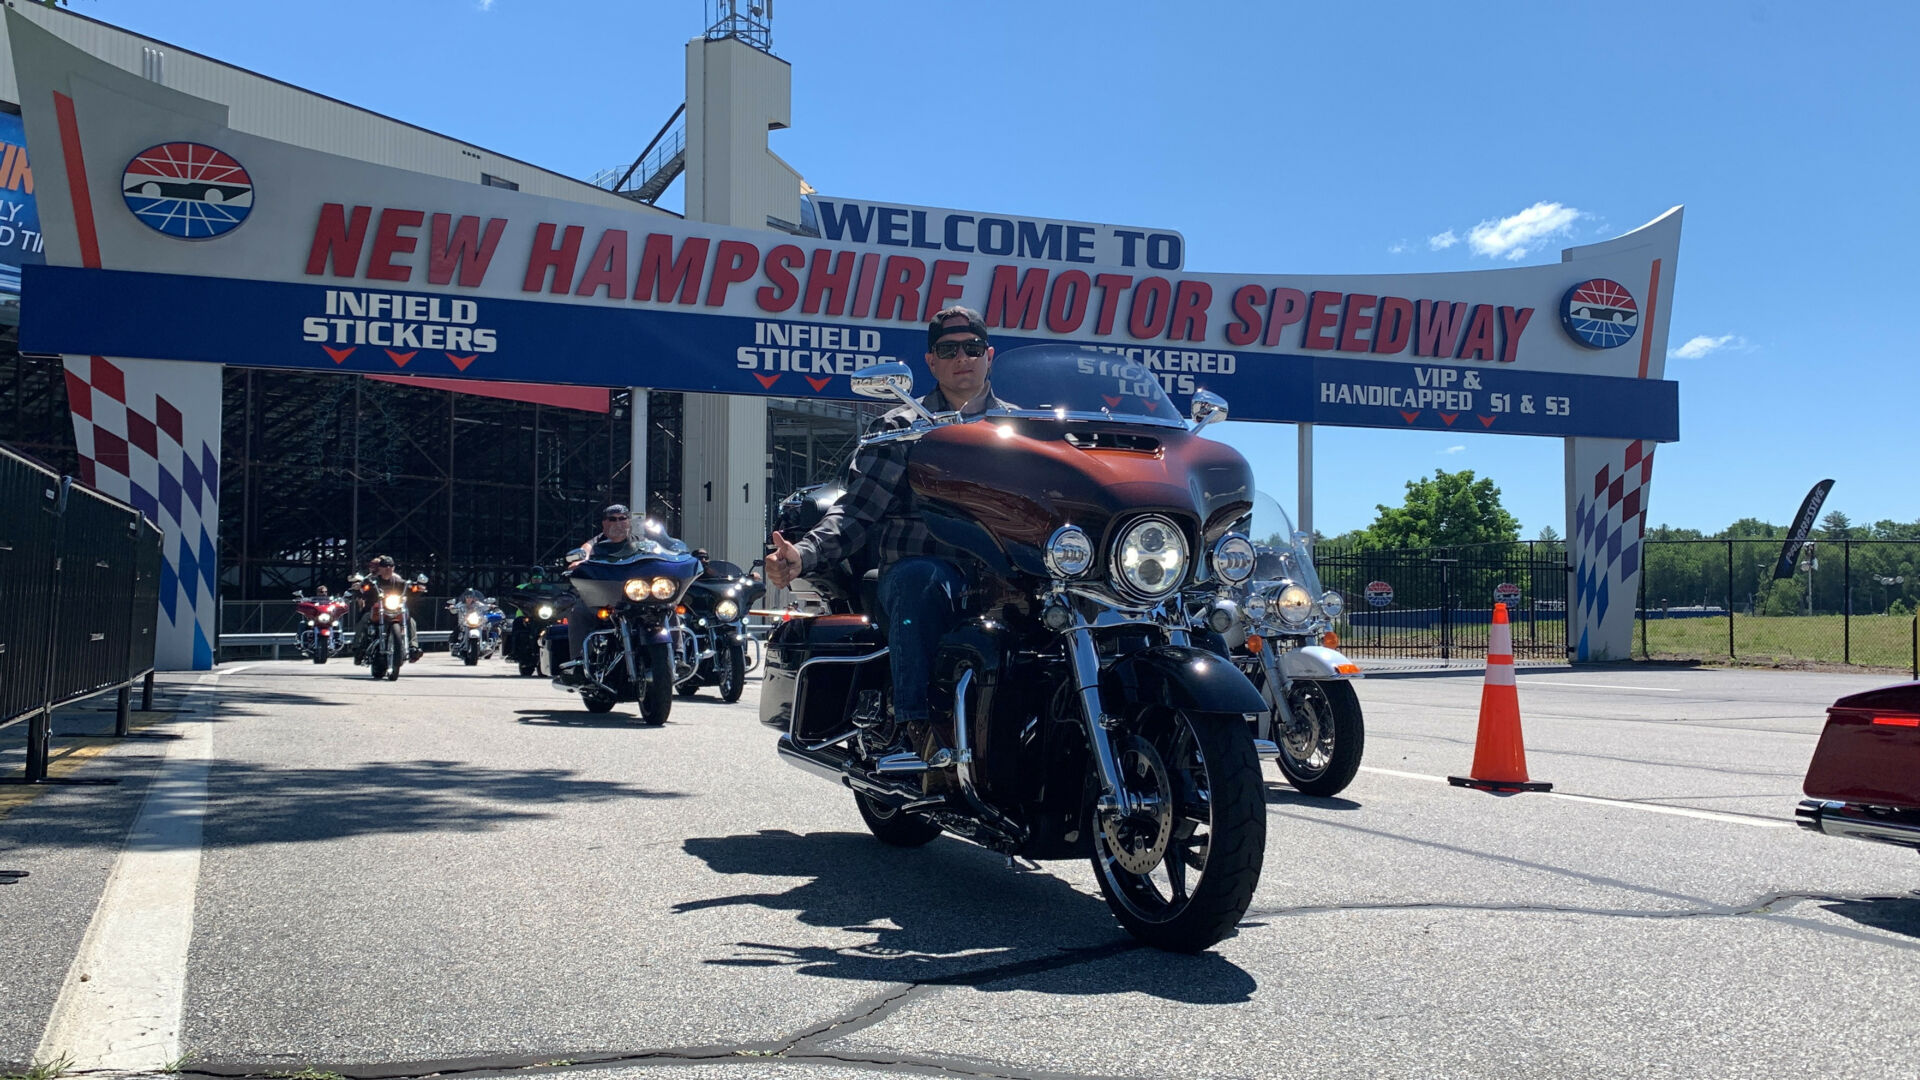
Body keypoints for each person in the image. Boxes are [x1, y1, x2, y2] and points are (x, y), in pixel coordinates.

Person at [764, 305, 1008, 754]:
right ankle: (921, 733)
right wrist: (802, 555)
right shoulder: (901, 427)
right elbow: (857, 512)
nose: (963, 358)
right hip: (922, 568)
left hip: (1001, 573)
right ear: (931, 362)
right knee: (922, 581)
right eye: (948, 350)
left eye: (972, 348)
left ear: (989, 355)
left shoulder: (1019, 429)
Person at [555, 503, 651, 686]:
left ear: (629, 521)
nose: (618, 523)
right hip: (604, 598)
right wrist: (580, 562)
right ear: (604, 524)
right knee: (579, 612)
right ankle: (578, 664)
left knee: (667, 608)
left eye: (622, 518)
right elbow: (585, 551)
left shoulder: (641, 542)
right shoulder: (596, 544)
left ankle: (677, 657)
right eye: (612, 519)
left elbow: (659, 554)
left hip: (636, 598)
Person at [351, 555, 421, 662]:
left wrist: (417, 588)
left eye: (391, 566)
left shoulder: (399, 581)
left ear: (393, 568)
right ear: (380, 568)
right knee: (364, 618)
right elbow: (364, 588)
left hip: (394, 609)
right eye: (385, 566)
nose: (388, 568)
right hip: (376, 609)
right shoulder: (373, 580)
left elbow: (409, 587)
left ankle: (413, 648)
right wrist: (361, 587)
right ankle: (358, 648)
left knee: (410, 620)